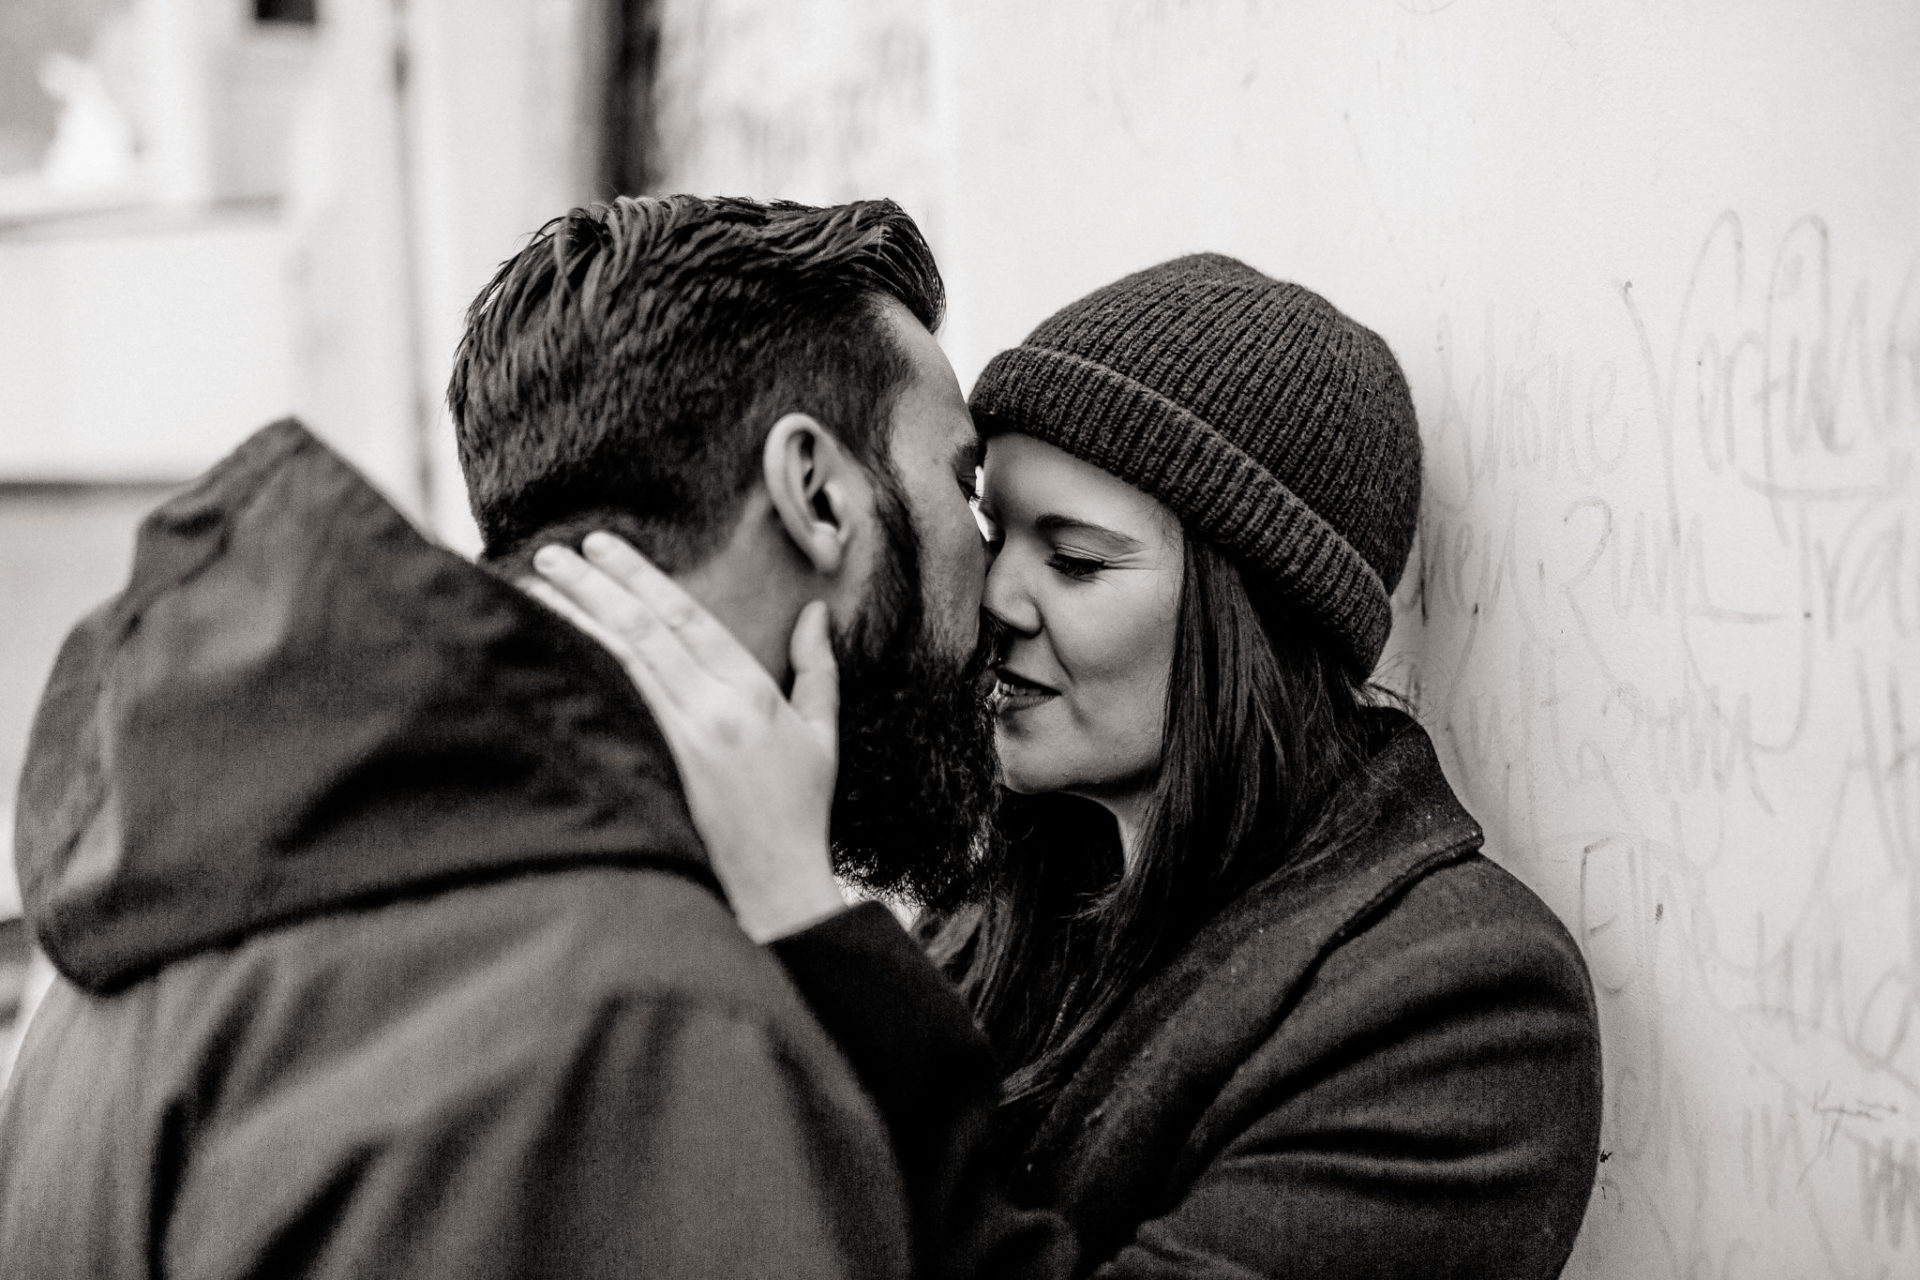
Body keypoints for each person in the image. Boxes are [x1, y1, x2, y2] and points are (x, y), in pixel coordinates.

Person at [0, 195, 1072, 1277]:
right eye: (964, 485)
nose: (997, 576)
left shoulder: (120, 959)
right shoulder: (639, 1023)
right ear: (816, 493)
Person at [529, 253, 1606, 1278]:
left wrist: (803, 919)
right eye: (997, 533)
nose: (997, 597)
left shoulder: (1465, 1008)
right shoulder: (999, 906)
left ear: (1252, 620)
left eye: (1077, 559)